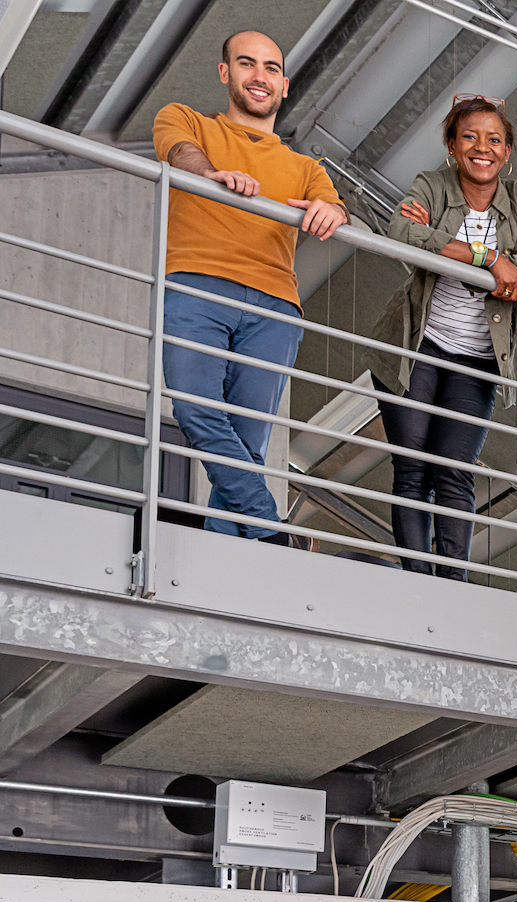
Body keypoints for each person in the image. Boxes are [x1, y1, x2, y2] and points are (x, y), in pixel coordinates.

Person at [154, 31, 346, 546]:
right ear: (225, 73)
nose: (259, 76)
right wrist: (213, 174)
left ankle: (229, 553)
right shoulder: (186, 118)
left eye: (270, 68)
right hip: (197, 285)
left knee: (248, 441)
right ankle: (268, 527)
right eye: (246, 64)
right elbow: (180, 151)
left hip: (275, 306)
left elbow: (332, 207)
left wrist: (333, 212)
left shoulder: (306, 167)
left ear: (284, 86)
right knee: (195, 408)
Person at [367, 95, 517, 581]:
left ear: (507, 152)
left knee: (454, 469)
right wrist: (487, 258)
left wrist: (448, 247)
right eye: (469, 136)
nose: (481, 147)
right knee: (413, 470)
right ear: (451, 145)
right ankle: (418, 579)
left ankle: (453, 585)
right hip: (415, 347)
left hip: (479, 359)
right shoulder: (432, 184)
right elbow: (400, 230)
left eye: (493, 139)